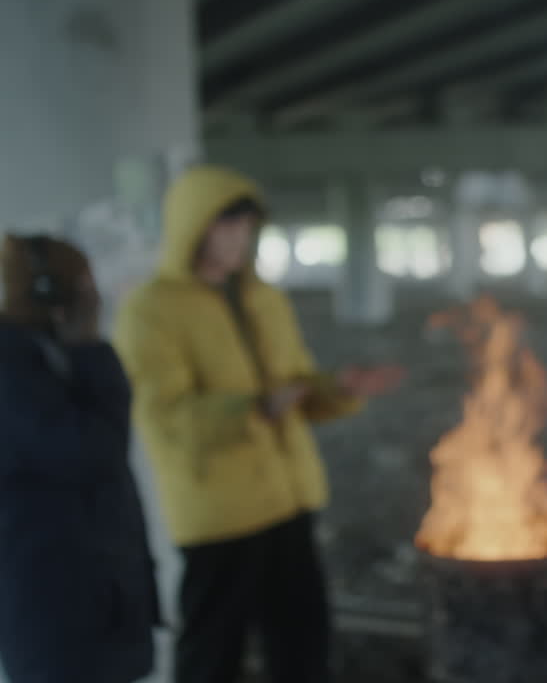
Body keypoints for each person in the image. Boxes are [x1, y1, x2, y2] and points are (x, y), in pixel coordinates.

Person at [113, 165, 404, 683]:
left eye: (246, 226)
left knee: (302, 643)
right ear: (192, 227)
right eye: (226, 225)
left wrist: (341, 388)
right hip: (219, 513)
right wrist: (255, 407)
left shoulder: (262, 299)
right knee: (212, 653)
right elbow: (167, 416)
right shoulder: (151, 310)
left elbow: (296, 386)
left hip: (287, 501)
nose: (238, 238)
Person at [0, 234, 159, 683]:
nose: (94, 293)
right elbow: (93, 452)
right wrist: (90, 346)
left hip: (96, 597)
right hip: (57, 609)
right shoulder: (12, 366)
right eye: (84, 282)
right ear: (48, 290)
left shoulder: (47, 353)